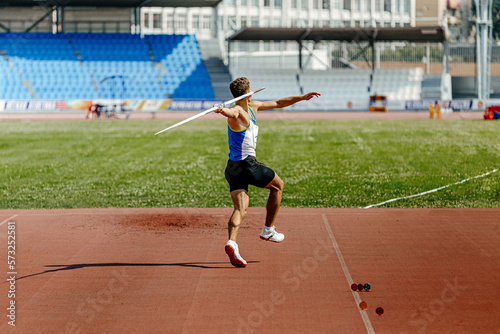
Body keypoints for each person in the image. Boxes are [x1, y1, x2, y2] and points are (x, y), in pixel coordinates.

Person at [214, 77, 320, 267]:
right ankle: (268, 230)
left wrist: (302, 97)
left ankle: (232, 243)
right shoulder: (238, 110)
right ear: (248, 92)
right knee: (278, 186)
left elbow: (279, 102)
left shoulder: (253, 106)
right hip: (247, 165)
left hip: (232, 168)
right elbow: (232, 112)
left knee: (240, 208)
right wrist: (221, 109)